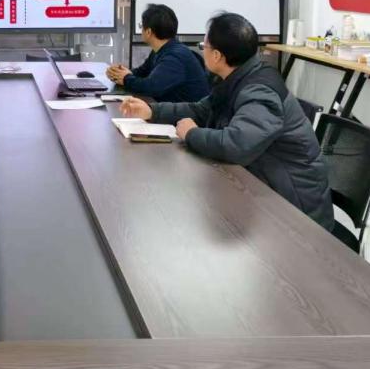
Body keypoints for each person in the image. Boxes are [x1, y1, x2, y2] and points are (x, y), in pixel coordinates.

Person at [120, 12, 334, 231]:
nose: (202, 50)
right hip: (260, 184)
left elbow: (237, 145)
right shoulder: (237, 76)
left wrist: (191, 133)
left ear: (217, 56)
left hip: (296, 211)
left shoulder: (260, 91)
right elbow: (201, 110)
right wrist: (152, 111)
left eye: (204, 46)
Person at [106, 3, 210, 102]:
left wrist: (125, 78)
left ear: (148, 32)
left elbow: (151, 87)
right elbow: (142, 72)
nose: (141, 30)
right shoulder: (161, 50)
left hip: (185, 113)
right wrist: (118, 73)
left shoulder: (174, 57)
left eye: (141, 26)